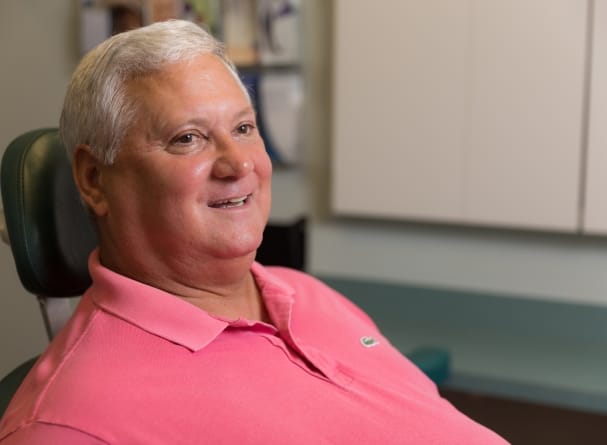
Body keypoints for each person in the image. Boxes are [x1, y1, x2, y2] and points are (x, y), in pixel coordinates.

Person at [0, 20, 508, 444]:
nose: (239, 162)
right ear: (94, 179)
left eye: (244, 128)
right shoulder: (69, 424)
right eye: (188, 138)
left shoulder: (302, 293)